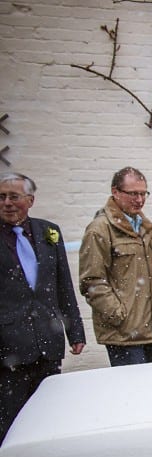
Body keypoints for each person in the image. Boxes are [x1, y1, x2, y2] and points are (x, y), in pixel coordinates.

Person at [0, 173, 85, 443]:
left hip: (47, 342)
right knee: (11, 422)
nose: (7, 203)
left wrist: (76, 331)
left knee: (46, 417)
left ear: (30, 200)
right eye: (1, 197)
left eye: (14, 196)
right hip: (8, 348)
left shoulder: (49, 232)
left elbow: (63, 285)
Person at [79, 167, 152, 366]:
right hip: (124, 336)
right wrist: (121, 317)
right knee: (132, 394)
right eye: (133, 193)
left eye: (143, 193)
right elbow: (92, 281)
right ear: (115, 192)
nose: (139, 199)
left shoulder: (148, 229)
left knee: (151, 392)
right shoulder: (100, 229)